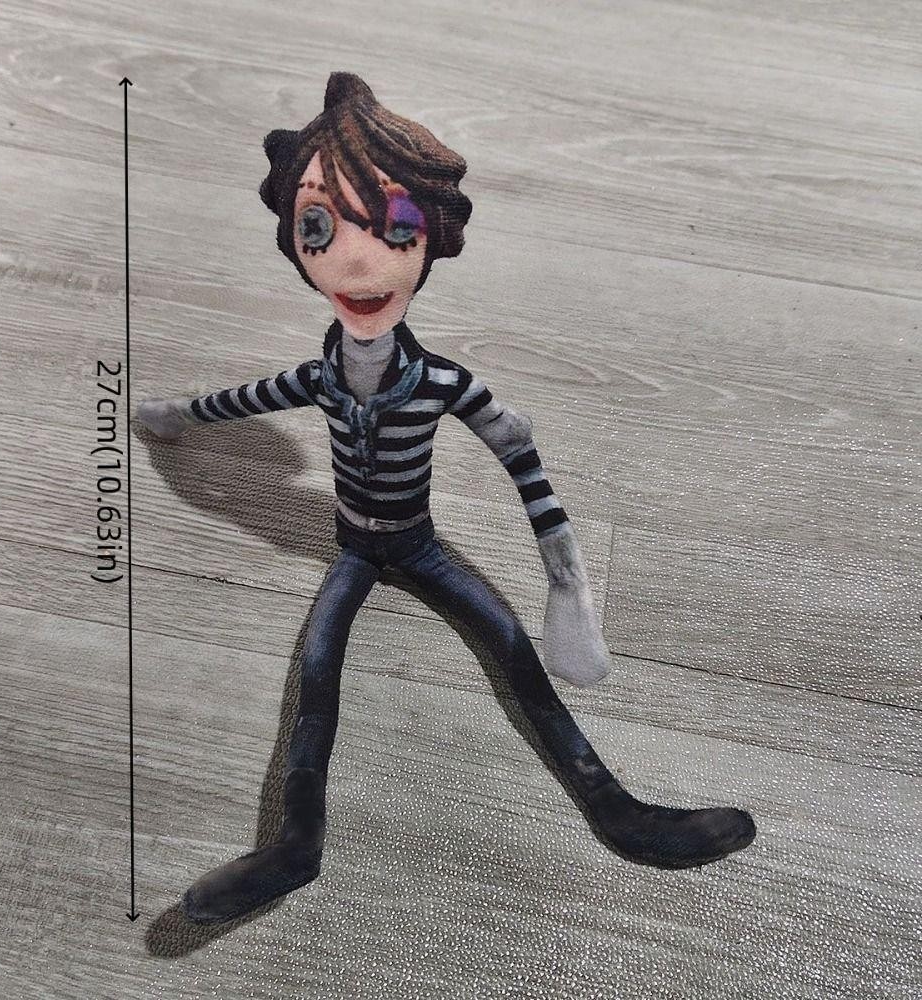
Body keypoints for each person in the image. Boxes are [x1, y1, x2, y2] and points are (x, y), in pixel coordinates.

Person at [137, 71, 756, 925]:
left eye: (394, 227)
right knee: (317, 675)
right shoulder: (320, 378)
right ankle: (295, 841)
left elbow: (520, 454)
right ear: (294, 241)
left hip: (418, 543)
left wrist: (568, 584)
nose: (359, 260)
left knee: (514, 651)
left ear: (431, 237)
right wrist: (171, 417)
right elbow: (238, 401)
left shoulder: (443, 384)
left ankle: (616, 807)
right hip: (356, 546)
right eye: (319, 226)